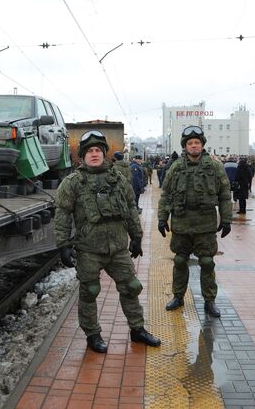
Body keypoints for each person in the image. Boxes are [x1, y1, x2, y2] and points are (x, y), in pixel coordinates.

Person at [55, 130, 161, 353]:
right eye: (90, 151)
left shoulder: (118, 179)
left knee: (131, 287)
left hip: (118, 248)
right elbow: (63, 214)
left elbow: (131, 208)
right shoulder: (72, 182)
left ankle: (137, 329)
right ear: (83, 156)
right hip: (88, 250)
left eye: (98, 151)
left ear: (104, 154)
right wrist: (63, 244)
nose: (94, 154)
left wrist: (137, 236)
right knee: (90, 291)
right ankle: (93, 334)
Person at [158, 125, 232, 318]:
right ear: (185, 146)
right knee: (180, 260)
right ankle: (178, 296)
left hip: (205, 223)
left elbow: (225, 195)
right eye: (190, 143)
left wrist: (227, 220)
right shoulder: (175, 167)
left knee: (207, 262)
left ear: (202, 145)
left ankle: (210, 300)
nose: (193, 146)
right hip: (181, 221)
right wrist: (162, 218)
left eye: (196, 143)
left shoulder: (215, 166)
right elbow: (165, 194)